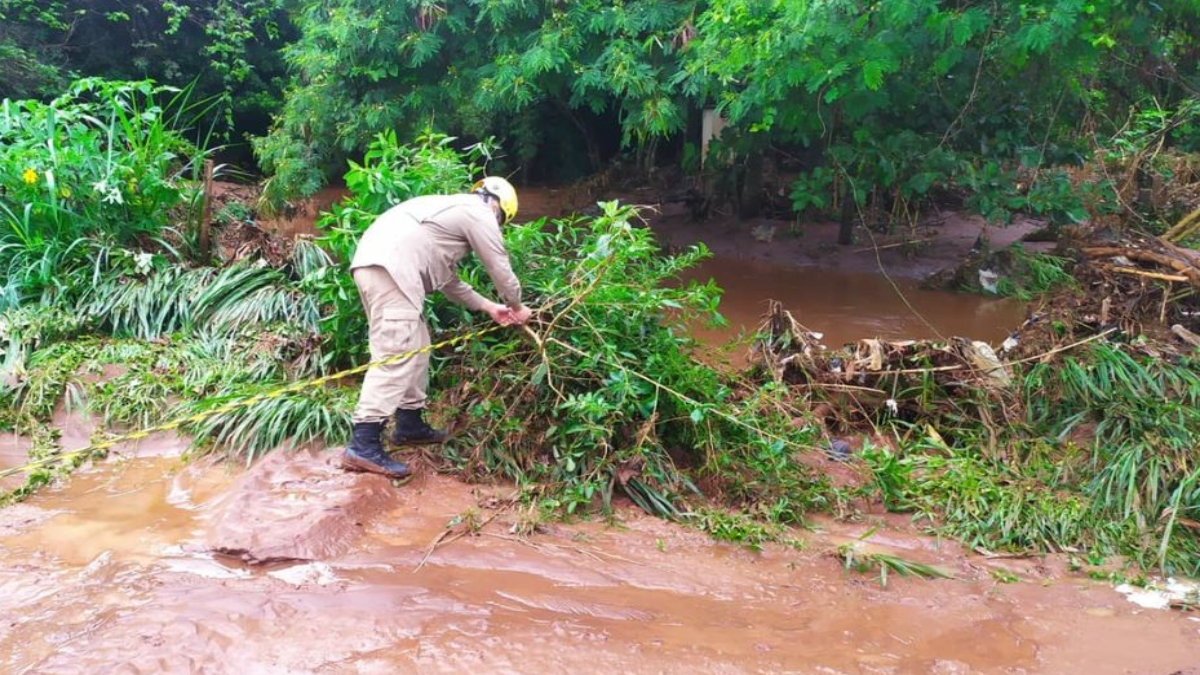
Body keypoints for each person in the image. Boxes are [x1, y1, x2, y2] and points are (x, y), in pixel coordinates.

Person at [341, 177, 532, 478]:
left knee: (417, 346)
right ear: (499, 208)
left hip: (381, 268)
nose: (497, 225)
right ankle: (363, 445)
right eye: (501, 221)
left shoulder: (447, 216)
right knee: (395, 354)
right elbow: (498, 264)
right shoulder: (479, 212)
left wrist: (489, 307)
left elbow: (449, 282)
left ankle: (409, 424)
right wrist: (517, 305)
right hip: (392, 272)